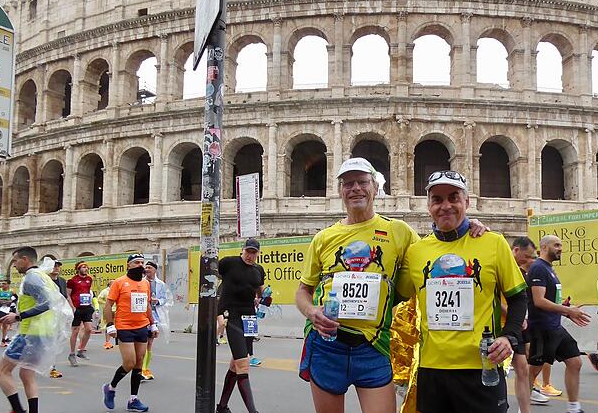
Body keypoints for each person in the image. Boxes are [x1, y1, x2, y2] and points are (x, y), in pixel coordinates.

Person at [395, 170, 527, 413]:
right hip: (432, 370)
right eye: (437, 199)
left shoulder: (493, 243)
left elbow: (518, 297)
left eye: (453, 198)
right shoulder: (416, 252)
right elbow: (394, 297)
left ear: (466, 202)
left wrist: (509, 337)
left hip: (482, 367)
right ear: (428, 206)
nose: (446, 206)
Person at [296, 157, 421, 413]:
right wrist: (312, 312)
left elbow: (434, 252)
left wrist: (467, 227)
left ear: (375, 187)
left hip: (373, 344)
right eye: (348, 183)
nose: (355, 188)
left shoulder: (399, 231)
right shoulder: (323, 238)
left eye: (362, 182)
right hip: (327, 343)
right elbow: (303, 292)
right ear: (340, 191)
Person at [0, 246, 72, 413]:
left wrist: (18, 316)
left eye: (15, 261)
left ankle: (17, 410)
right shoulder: (43, 276)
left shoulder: (32, 278)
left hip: (30, 333)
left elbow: (46, 303)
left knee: (2, 371)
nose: (14, 265)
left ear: (25, 259)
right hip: (43, 332)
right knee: (26, 374)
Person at [527, 235, 590, 413]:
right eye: (556, 245)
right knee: (533, 372)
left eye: (561, 245)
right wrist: (568, 311)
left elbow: (549, 299)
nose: (560, 248)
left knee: (575, 362)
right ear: (544, 247)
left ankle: (573, 408)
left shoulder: (549, 269)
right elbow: (538, 301)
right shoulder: (538, 268)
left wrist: (566, 310)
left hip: (555, 326)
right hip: (542, 328)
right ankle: (523, 409)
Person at [102, 253, 157, 412]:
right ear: (128, 265)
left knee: (139, 362)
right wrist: (110, 325)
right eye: (136, 263)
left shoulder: (146, 284)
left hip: (142, 326)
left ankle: (133, 399)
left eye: (142, 262)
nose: (140, 265)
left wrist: (153, 324)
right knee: (129, 363)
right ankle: (110, 388)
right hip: (124, 327)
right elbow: (108, 305)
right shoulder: (120, 282)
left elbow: (146, 305)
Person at [216, 239, 265, 413]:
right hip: (232, 315)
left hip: (249, 318)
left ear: (258, 254)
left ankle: (222, 407)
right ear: (242, 250)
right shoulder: (229, 263)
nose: (250, 256)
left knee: (235, 365)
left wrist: (262, 298)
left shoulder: (258, 270)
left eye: (254, 253)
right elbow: (212, 274)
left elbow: (259, 288)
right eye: (248, 251)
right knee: (243, 365)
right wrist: (218, 308)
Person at [506, 237, 549, 412]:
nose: (531, 261)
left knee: (522, 369)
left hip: (517, 326)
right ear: (515, 250)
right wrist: (516, 317)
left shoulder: (522, 273)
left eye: (533, 257)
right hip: (501, 328)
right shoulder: (503, 267)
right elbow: (495, 301)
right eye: (528, 256)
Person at [141, 260, 170, 381]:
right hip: (141, 315)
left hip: (154, 316)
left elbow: (165, 298)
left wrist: (157, 301)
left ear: (155, 270)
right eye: (146, 267)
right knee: (141, 342)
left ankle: (145, 368)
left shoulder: (160, 284)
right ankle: (140, 369)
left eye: (149, 268)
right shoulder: (141, 282)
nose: (147, 269)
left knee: (149, 343)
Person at [67, 261, 95, 366]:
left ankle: (81, 350)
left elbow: (88, 292)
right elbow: (68, 295)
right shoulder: (72, 281)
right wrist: (72, 307)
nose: (86, 269)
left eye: (86, 267)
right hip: (77, 308)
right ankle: (72, 354)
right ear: (78, 269)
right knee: (75, 331)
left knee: (89, 329)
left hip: (87, 307)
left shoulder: (89, 279)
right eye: (83, 267)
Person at [48, 259, 71, 378]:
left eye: (58, 266)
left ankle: (52, 367)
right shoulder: (44, 281)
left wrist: (71, 310)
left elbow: (65, 298)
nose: (56, 268)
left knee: (55, 341)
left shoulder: (62, 281)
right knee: (46, 342)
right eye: (54, 266)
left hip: (59, 315)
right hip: (45, 315)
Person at [0, 280, 17, 346]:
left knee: (5, 325)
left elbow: (16, 298)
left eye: (4, 284)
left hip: (7, 309)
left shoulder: (11, 291)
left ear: (8, 285)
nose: (3, 285)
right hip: (0, 308)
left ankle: (3, 341)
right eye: (2, 283)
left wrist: (11, 301)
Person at [97, 281, 115, 349]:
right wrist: (107, 303)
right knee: (109, 326)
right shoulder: (105, 291)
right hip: (108, 311)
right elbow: (99, 299)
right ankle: (107, 342)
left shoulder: (116, 290)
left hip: (117, 310)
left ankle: (120, 341)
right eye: (113, 283)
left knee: (118, 326)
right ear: (109, 284)